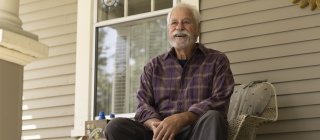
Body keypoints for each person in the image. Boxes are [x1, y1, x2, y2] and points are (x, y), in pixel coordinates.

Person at [105, 3, 234, 140]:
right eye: (174, 23)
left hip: (197, 131)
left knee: (213, 117)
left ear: (197, 28)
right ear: (168, 30)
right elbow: (143, 106)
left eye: (186, 22)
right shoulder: (153, 66)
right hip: (159, 135)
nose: (179, 27)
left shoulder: (217, 61)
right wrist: (156, 125)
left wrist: (182, 118)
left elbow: (220, 100)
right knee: (115, 126)